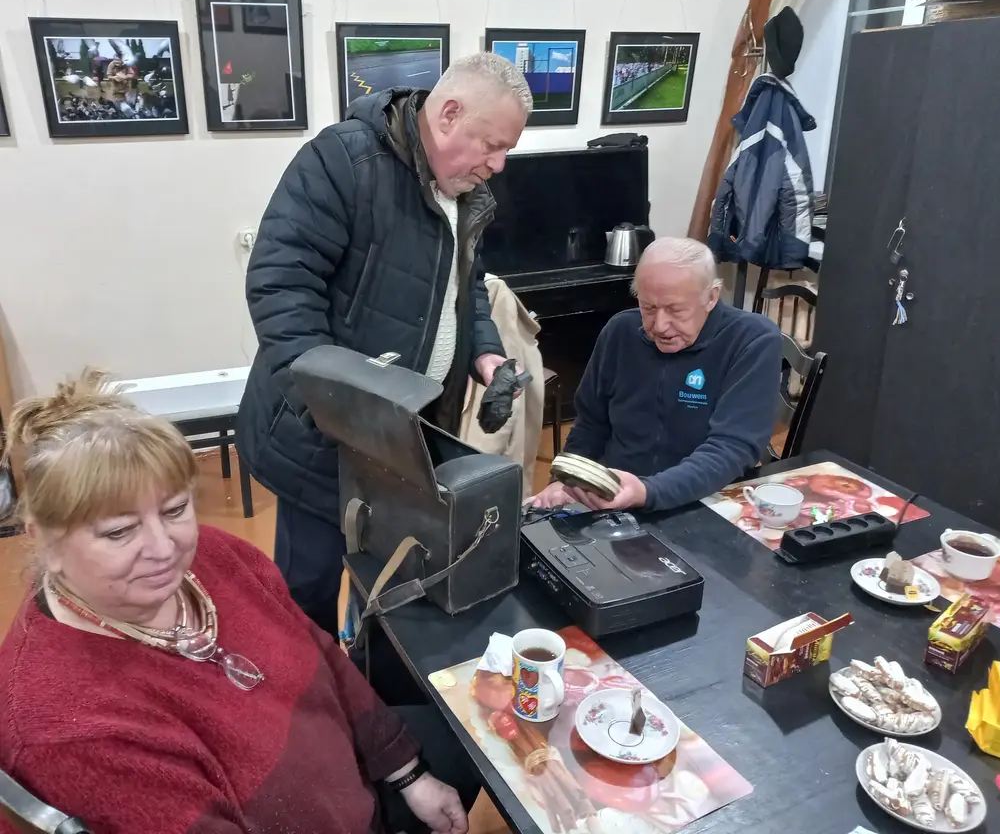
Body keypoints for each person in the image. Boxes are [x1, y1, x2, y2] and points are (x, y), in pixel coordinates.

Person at [0, 371, 476, 834]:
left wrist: (405, 770)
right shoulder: (67, 730)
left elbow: (320, 653)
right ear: (46, 541)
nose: (165, 549)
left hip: (351, 782)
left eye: (174, 510)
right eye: (119, 531)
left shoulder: (217, 555)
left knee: (474, 742)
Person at [236, 54, 533, 637]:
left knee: (391, 586)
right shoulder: (343, 161)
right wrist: (334, 405)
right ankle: (315, 709)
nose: (498, 165)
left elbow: (465, 289)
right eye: (492, 145)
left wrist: (486, 353)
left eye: (506, 151)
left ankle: (369, 693)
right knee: (307, 593)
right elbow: (280, 286)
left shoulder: (463, 190)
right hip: (323, 440)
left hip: (406, 437)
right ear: (448, 114)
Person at [530, 237, 781, 513]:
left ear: (711, 296)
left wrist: (647, 491)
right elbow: (590, 424)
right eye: (648, 307)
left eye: (676, 310)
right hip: (613, 496)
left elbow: (731, 448)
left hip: (707, 501)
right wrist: (562, 482)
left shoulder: (752, 340)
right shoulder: (620, 331)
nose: (659, 326)